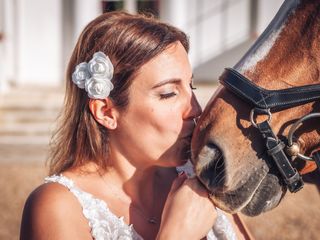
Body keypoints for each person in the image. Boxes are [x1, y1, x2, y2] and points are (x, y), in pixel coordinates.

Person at [20, 11, 251, 240]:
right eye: (168, 93)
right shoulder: (58, 208)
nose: (196, 109)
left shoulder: (204, 179)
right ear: (106, 112)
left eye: (192, 87)